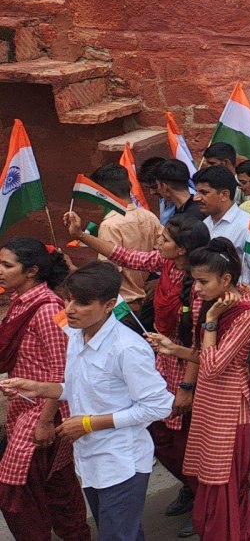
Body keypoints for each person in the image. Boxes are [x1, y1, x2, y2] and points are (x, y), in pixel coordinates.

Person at [2, 261, 174, 541]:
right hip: (91, 459)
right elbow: (79, 387)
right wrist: (36, 388)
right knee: (121, 533)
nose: (69, 309)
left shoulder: (127, 348)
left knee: (118, 535)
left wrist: (88, 423)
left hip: (121, 463)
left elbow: (159, 405)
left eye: (81, 303)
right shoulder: (75, 336)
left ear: (108, 305)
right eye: (68, 299)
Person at [64, 211, 210, 536]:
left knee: (188, 442)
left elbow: (200, 342)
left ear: (183, 249)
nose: (159, 240)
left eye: (166, 238)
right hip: (164, 358)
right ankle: (193, 489)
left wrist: (187, 386)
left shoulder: (201, 286)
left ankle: (206, 501)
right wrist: (82, 235)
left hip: (191, 366)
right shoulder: (166, 264)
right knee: (165, 440)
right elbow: (126, 256)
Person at [148, 238, 250, 540]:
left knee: (224, 490)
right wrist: (173, 348)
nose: (195, 289)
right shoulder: (217, 305)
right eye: (193, 281)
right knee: (209, 485)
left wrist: (210, 322)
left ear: (226, 280)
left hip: (229, 410)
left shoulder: (244, 314)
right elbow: (203, 354)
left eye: (202, 281)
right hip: (209, 406)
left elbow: (212, 367)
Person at [0, 238, 90, 541]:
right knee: (58, 490)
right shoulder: (21, 301)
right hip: (24, 409)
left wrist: (45, 422)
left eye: (7, 265)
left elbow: (61, 371)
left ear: (31, 271)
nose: (0, 271)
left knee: (17, 497)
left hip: (41, 414)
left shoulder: (48, 309)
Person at [88, 163, 163, 317]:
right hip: (149, 300)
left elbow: (109, 271)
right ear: (129, 185)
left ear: (102, 193)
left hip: (124, 307)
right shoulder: (149, 216)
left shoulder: (110, 225)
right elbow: (164, 254)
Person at [192, 165, 250, 304]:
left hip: (239, 309)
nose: (196, 198)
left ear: (224, 194)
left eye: (204, 193)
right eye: (196, 192)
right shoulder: (205, 224)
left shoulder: (248, 226)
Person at [138, 156, 175, 225]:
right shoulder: (162, 199)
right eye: (148, 188)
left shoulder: (192, 202)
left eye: (154, 187)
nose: (152, 192)